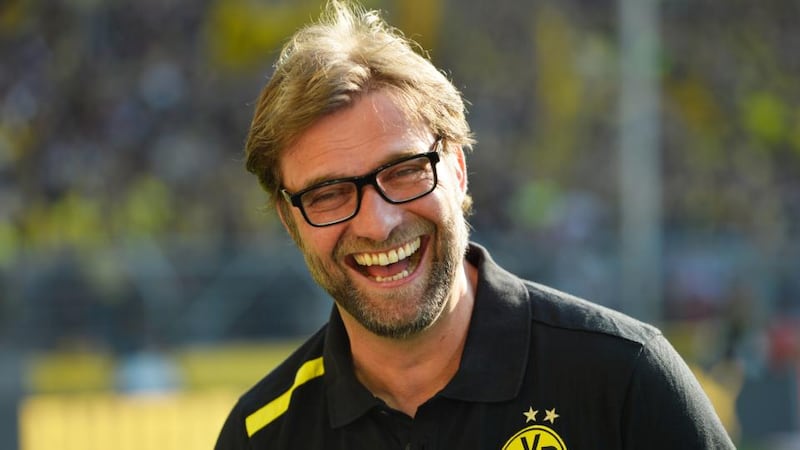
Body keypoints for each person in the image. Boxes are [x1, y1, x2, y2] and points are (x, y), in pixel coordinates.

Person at [215, 1, 735, 448]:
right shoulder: (260, 435)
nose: (377, 223)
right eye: (328, 194)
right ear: (289, 219)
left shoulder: (625, 380)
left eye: (403, 171)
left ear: (458, 169)